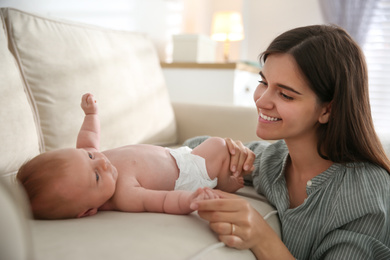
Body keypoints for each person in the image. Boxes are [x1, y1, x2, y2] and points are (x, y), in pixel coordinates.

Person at [188, 25, 390, 259]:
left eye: (285, 94)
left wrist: (261, 237)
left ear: (328, 109)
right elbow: (189, 148)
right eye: (263, 82)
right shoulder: (274, 160)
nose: (262, 101)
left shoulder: (366, 191)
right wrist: (225, 151)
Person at [17, 93, 254, 220]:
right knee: (217, 145)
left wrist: (91, 113)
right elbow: (162, 201)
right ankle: (225, 182)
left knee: (211, 145)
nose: (101, 160)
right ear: (89, 211)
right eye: (97, 177)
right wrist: (191, 200)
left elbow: (89, 136)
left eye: (88, 157)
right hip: (189, 173)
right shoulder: (124, 196)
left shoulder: (91, 156)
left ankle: (227, 177)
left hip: (176, 154)